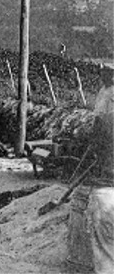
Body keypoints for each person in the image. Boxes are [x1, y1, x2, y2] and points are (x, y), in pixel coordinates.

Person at [86, 65, 114, 273]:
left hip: (106, 191)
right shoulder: (103, 93)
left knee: (105, 253)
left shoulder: (105, 122)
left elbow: (97, 143)